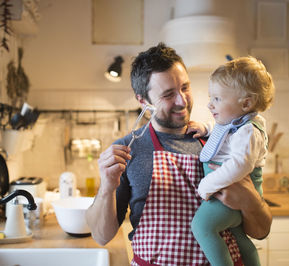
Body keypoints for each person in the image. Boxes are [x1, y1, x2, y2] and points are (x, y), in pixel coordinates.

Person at [86, 43, 272, 265]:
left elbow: (261, 232)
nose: (182, 101)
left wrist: (250, 202)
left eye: (185, 87)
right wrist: (107, 187)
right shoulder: (127, 151)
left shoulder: (221, 142)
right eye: (168, 94)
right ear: (143, 101)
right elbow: (101, 236)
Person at [188, 56, 275, 266]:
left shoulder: (249, 131)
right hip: (232, 193)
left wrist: (206, 185)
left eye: (217, 99)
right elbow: (222, 129)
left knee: (201, 226)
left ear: (246, 103)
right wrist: (206, 128)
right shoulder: (237, 122)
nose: (210, 104)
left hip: (234, 191)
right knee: (239, 239)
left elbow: (239, 165)